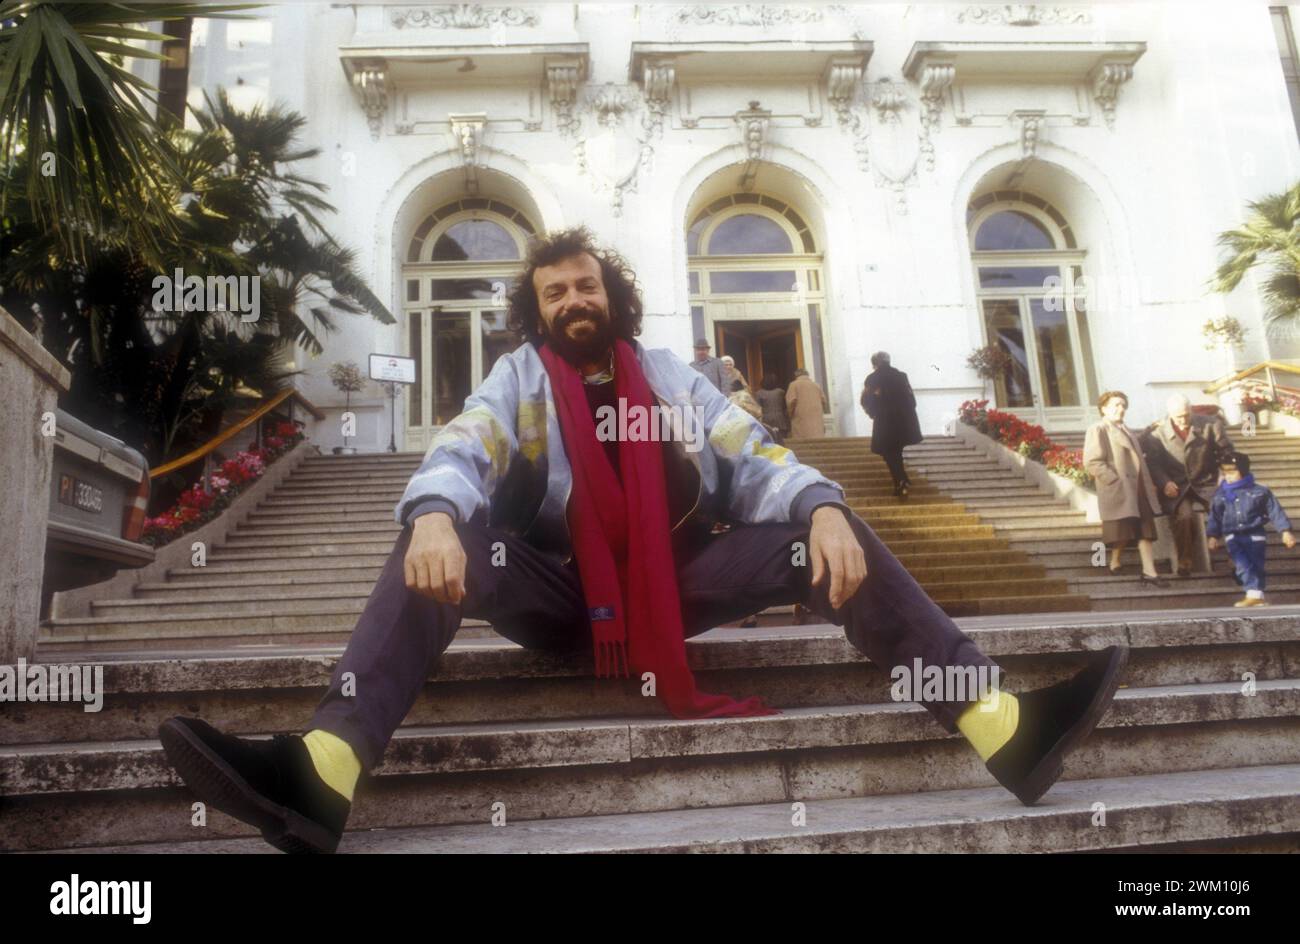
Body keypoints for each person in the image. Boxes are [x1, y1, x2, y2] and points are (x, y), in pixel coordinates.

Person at [158, 226, 1128, 853]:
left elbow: (752, 452)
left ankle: (1001, 725)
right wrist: (436, 513)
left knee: (823, 528)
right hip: (554, 592)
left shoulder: (670, 374)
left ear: (611, 292)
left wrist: (824, 503)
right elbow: (463, 443)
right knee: (453, 531)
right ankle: (325, 766)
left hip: (683, 581)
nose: (573, 300)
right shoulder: (521, 380)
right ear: (535, 312)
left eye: (585, 284)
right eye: (554, 293)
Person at [1139, 394, 1233, 577]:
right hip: (1178, 486)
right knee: (1184, 517)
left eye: (1186, 415)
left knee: (1227, 511)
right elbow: (1154, 463)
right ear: (1170, 414)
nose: (1183, 420)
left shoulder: (1211, 424)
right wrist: (1164, 482)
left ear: (1191, 410)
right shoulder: (1157, 434)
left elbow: (1226, 450)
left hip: (1207, 481)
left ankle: (1235, 556)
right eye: (1178, 417)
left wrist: (1226, 472)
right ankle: (1185, 560)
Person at [1083, 390, 1169, 586]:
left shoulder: (1126, 430)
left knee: (1145, 529)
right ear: (1103, 408)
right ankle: (1114, 560)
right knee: (1123, 529)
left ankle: (1150, 572)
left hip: (1138, 487)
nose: (1121, 409)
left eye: (1123, 405)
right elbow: (1092, 461)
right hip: (1119, 488)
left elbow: (1134, 453)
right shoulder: (1098, 429)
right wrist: (1114, 480)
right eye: (1116, 405)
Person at [1205, 451, 1296, 607]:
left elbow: (1275, 511)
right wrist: (1213, 535)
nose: (1228, 476)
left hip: (1255, 535)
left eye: (1232, 472)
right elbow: (1216, 516)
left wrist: (1285, 531)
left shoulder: (1260, 491)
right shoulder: (1221, 494)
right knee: (1242, 565)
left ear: (1243, 470)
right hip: (1233, 536)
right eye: (1225, 472)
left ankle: (1255, 595)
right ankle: (1253, 592)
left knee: (1255, 564)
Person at [861, 351, 923, 499]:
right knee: (896, 451)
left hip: (885, 421)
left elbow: (868, 399)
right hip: (904, 421)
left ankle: (900, 481)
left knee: (888, 451)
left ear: (874, 364)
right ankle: (901, 479)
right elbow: (911, 399)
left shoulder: (872, 378)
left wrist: (872, 413)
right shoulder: (901, 376)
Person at [786, 368, 827, 439]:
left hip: (800, 416)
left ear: (796, 375)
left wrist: (790, 413)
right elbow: (823, 400)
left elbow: (792, 401)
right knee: (816, 438)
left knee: (802, 439)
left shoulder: (793, 385)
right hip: (816, 417)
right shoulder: (816, 385)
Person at [755, 372, 790, 445]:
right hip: (780, 419)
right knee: (782, 441)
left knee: (768, 442)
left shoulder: (759, 393)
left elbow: (757, 408)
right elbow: (785, 406)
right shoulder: (780, 392)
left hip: (766, 419)